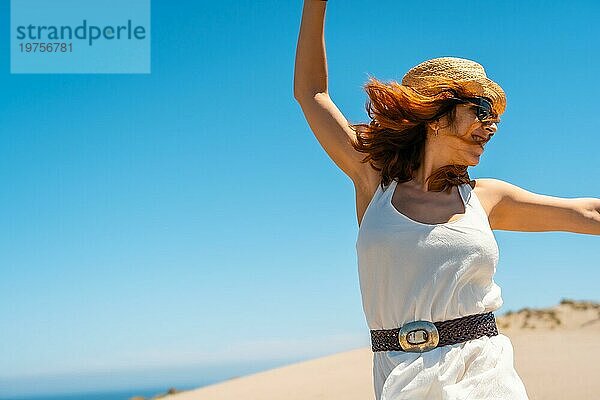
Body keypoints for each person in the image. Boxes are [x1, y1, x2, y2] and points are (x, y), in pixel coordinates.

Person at [293, 1, 600, 399]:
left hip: (484, 373)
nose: (491, 126)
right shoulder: (373, 182)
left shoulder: (485, 198)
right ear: (436, 116)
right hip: (398, 376)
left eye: (494, 116)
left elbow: (587, 211)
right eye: (481, 110)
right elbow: (310, 92)